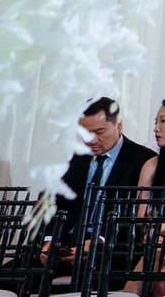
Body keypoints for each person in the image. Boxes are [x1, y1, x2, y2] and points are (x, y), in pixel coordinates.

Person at [56, 98, 154, 244]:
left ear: (118, 125)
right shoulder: (70, 159)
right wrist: (48, 241)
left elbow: (136, 217)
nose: (91, 140)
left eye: (99, 132)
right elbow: (51, 204)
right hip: (63, 241)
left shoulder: (144, 161)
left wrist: (100, 243)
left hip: (109, 244)